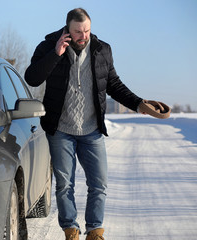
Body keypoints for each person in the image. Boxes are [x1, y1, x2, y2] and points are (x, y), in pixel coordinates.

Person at [24, 8, 169, 240]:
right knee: (64, 185)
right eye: (78, 32)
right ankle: (70, 229)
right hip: (60, 130)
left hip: (92, 129)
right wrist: (55, 54)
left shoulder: (102, 50)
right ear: (67, 30)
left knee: (99, 184)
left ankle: (94, 231)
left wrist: (139, 104)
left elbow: (114, 84)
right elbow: (32, 78)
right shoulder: (48, 46)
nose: (84, 36)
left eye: (87, 31)